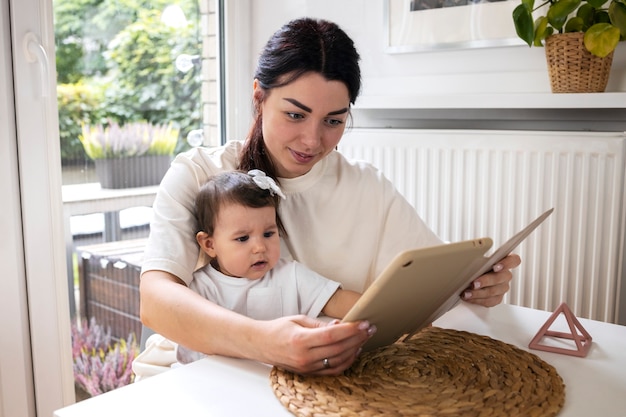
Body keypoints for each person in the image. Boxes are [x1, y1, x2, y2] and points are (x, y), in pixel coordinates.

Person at [139, 17, 521, 376]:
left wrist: (472, 289)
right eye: (295, 115)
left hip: (320, 386)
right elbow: (156, 301)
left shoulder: (367, 189)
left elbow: (422, 299)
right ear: (259, 97)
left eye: (334, 121)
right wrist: (266, 342)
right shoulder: (198, 173)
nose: (311, 140)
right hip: (202, 376)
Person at [177, 169, 363, 364]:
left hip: (282, 381)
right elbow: (194, 354)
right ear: (210, 244)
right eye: (242, 238)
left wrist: (363, 324)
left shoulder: (290, 274)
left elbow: (336, 300)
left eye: (268, 234)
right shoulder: (199, 289)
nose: (260, 247)